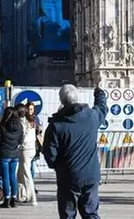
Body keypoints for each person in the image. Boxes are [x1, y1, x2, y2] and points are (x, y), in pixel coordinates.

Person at [43, 85, 108, 218]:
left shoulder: (56, 125)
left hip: (68, 176)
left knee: (68, 214)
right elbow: (102, 108)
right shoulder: (91, 116)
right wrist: (99, 93)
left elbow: (50, 153)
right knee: (91, 214)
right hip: (90, 175)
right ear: (77, 97)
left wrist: (57, 166)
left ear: (61, 100)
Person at [1, 106, 24, 208]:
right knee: (12, 177)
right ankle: (13, 200)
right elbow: (20, 140)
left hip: (4, 154)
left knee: (5, 178)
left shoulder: (2, 126)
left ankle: (6, 199)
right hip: (15, 154)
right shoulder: (20, 126)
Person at [16, 104, 37, 205]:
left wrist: (19, 144)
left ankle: (32, 197)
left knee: (26, 173)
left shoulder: (23, 121)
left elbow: (24, 137)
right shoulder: (31, 120)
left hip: (26, 149)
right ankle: (21, 195)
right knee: (20, 172)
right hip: (30, 148)